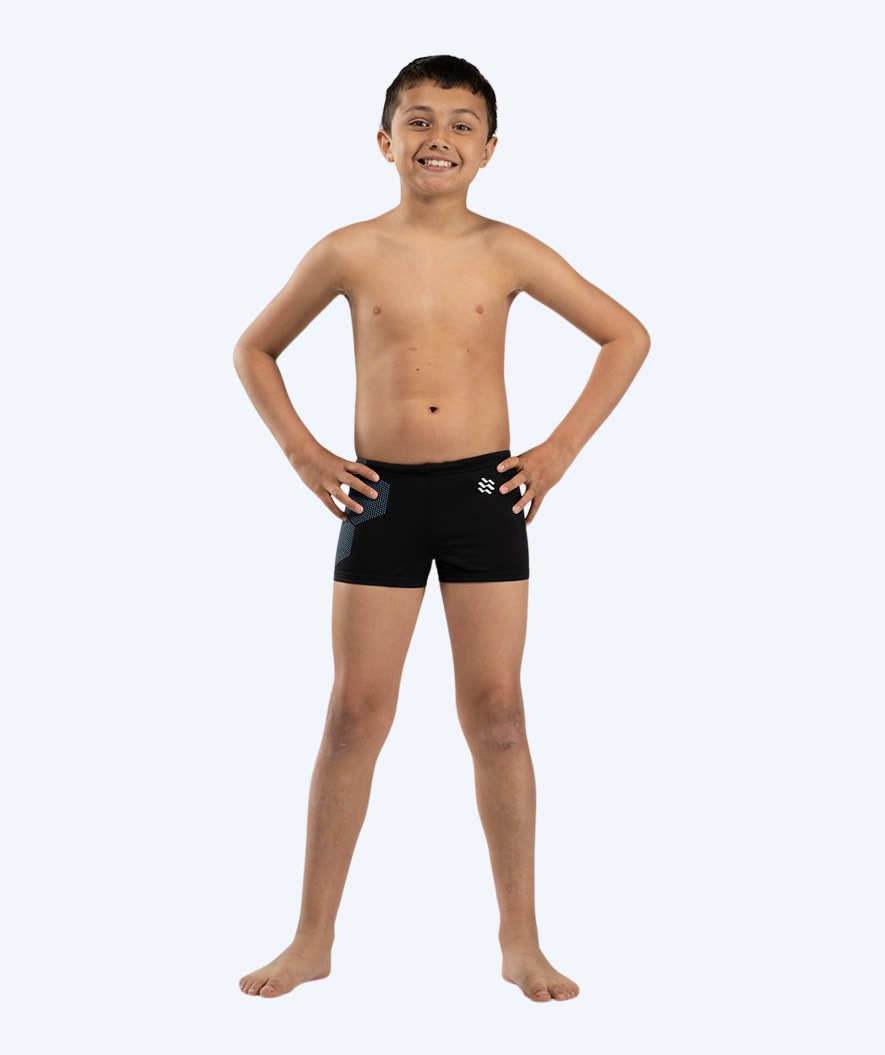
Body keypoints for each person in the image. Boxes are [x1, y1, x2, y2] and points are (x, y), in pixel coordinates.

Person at [234, 54, 649, 1003]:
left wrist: (557, 451)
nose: (439, 138)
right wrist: (304, 453)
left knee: (497, 714)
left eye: (462, 124)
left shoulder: (508, 250)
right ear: (384, 141)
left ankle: (520, 939)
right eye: (418, 120)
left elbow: (625, 334)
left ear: (489, 149)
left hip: (483, 495)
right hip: (377, 498)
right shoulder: (346, 251)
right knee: (354, 713)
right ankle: (312, 936)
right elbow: (254, 347)